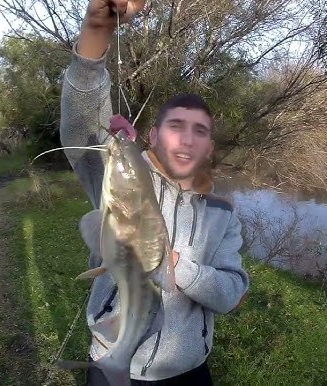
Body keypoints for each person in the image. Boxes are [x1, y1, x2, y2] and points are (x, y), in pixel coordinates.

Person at [59, 1, 249, 384]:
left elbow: (231, 292)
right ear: (153, 135)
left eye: (200, 130)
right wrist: (99, 26)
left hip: (190, 371)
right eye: (176, 125)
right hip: (114, 357)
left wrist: (178, 267)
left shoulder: (222, 213)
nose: (187, 139)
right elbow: (82, 123)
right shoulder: (119, 176)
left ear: (210, 147)